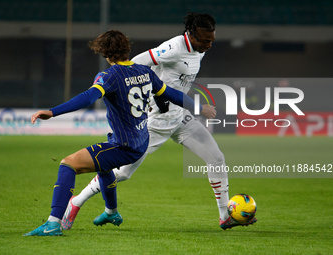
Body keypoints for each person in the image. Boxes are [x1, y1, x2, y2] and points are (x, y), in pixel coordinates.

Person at [62, 12, 257, 231]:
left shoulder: (199, 50)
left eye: (212, 40)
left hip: (181, 118)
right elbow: (134, 65)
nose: (209, 45)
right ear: (191, 35)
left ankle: (224, 216)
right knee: (124, 173)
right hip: (155, 122)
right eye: (204, 40)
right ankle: (76, 201)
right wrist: (152, 95)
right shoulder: (173, 48)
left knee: (217, 158)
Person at [23, 30, 215, 236]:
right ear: (127, 48)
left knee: (68, 164)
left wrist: (52, 112)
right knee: (104, 168)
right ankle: (111, 212)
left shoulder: (109, 76)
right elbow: (171, 94)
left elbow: (88, 98)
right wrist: (197, 107)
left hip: (124, 145)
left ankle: (52, 224)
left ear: (104, 53)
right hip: (140, 140)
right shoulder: (145, 71)